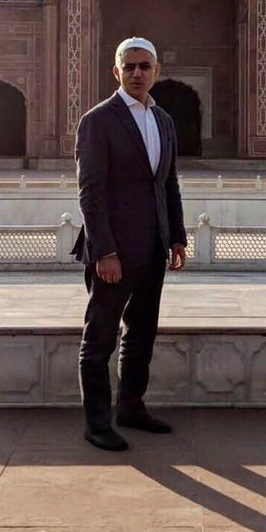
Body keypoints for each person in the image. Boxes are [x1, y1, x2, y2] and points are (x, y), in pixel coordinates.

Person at [71, 36, 187, 451]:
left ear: (157, 71)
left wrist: (176, 237)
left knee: (142, 332)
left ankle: (131, 406)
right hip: (113, 252)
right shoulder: (98, 120)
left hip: (152, 248)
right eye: (130, 66)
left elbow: (167, 185)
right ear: (116, 72)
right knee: (100, 338)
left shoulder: (164, 122)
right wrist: (104, 251)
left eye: (145, 66)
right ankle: (97, 422)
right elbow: (91, 192)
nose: (138, 73)